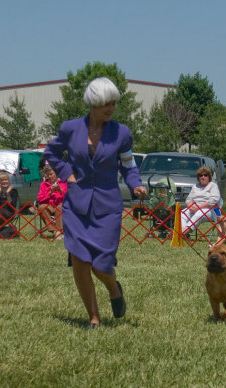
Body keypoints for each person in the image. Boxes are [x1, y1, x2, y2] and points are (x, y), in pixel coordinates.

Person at [44, 77, 147, 328]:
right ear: (93, 104)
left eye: (113, 103)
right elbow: (51, 153)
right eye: (105, 104)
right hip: (76, 205)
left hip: (108, 206)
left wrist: (136, 185)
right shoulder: (70, 128)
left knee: (101, 264)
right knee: (79, 260)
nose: (111, 108)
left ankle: (113, 288)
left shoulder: (121, 133)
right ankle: (93, 318)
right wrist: (67, 172)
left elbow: (128, 165)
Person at [181, 166, 221, 237]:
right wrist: (190, 206)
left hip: (209, 210)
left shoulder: (213, 186)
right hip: (194, 208)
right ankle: (184, 233)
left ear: (209, 177)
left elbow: (213, 200)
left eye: (205, 175)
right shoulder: (195, 186)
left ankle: (181, 233)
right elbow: (188, 199)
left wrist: (198, 208)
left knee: (199, 214)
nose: (203, 177)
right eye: (201, 175)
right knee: (182, 213)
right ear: (198, 177)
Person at [37, 164, 67, 239]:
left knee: (60, 207)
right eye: (47, 175)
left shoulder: (63, 182)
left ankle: (59, 231)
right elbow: (40, 199)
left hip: (61, 206)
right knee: (41, 207)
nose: (49, 176)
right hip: (49, 206)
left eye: (51, 174)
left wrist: (60, 190)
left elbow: (69, 197)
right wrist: (49, 193)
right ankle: (54, 231)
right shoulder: (43, 184)